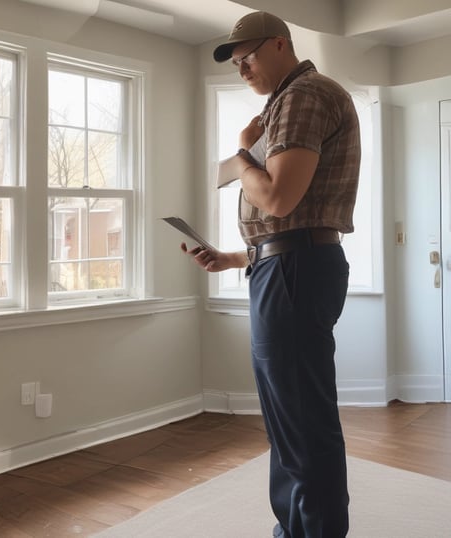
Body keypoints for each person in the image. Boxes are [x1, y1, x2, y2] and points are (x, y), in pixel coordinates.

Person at [183, 11, 360, 538]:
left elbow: (280, 200)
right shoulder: (284, 104)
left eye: (249, 57)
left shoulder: (304, 97)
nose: (243, 69)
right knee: (289, 424)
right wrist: (235, 258)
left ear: (281, 44)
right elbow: (294, 224)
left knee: (302, 425)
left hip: (294, 272)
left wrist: (240, 157)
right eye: (236, 63)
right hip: (283, 267)